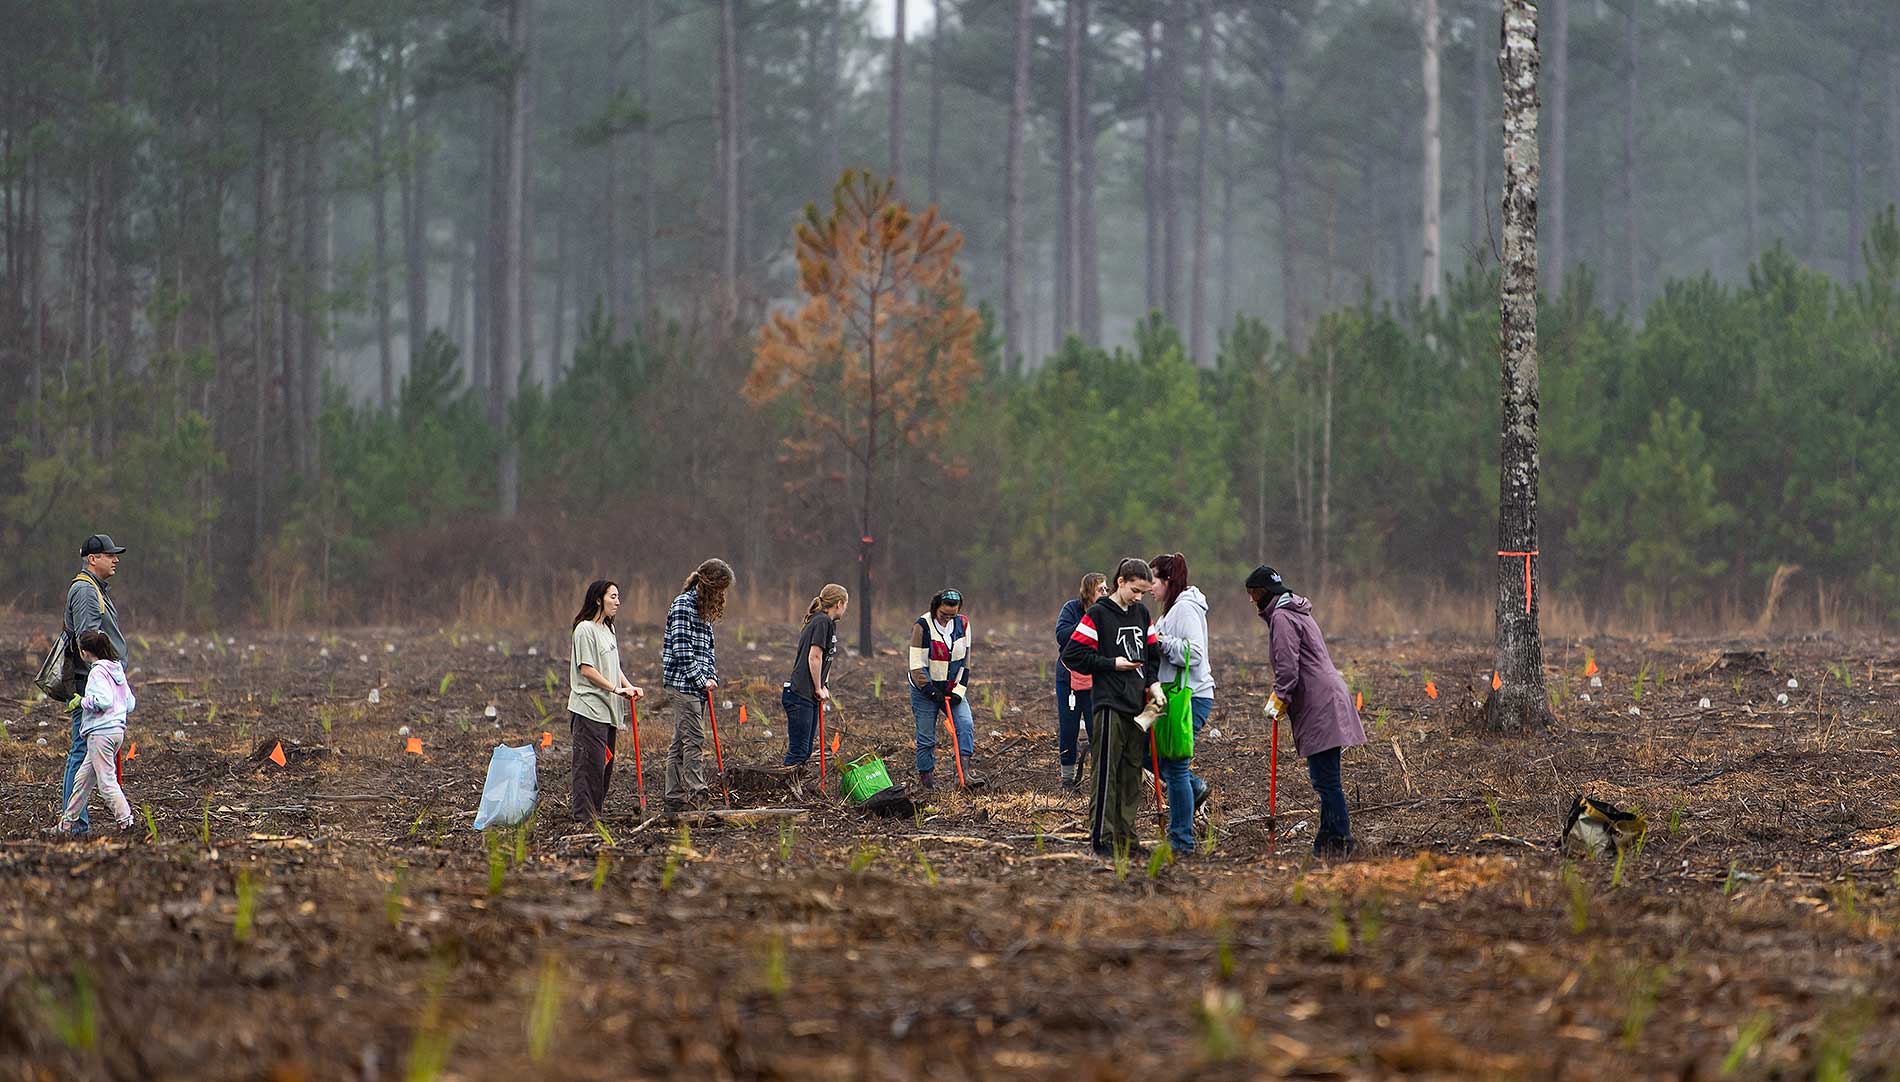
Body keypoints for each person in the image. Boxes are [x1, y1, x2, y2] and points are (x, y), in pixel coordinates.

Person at [1246, 565, 1367, 858]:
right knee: (1325, 776)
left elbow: (1287, 666)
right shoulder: (1295, 611)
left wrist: (1280, 698)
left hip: (1319, 700)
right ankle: (1325, 841)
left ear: (1264, 593)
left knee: (1325, 779)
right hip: (1325, 694)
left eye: (1252, 594)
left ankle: (1341, 840)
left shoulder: (1283, 617)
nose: (1251, 601)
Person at [1061, 558, 1163, 861]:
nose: (1138, 597)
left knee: (1132, 773)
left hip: (1138, 706)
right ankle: (1101, 839)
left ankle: (1126, 837)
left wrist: (1153, 684)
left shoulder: (1142, 613)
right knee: (1106, 771)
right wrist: (1111, 664)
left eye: (1144, 592)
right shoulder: (1098, 615)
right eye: (1134, 590)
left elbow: (1153, 654)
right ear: (1121, 582)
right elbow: (1073, 655)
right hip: (1108, 703)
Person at [60, 534, 129, 836]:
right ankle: (76, 827)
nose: (115, 559)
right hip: (91, 687)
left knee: (85, 757)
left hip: (97, 686)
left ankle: (74, 823)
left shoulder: (95, 589)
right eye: (109, 555)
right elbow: (87, 643)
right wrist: (104, 681)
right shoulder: (87, 592)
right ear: (92, 559)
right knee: (80, 752)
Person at [1151, 552, 1212, 854]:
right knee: (1163, 762)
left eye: (1153, 580)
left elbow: (1195, 653)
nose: (1150, 587)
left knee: (1174, 766)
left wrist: (1160, 642)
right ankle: (1195, 787)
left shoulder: (1185, 609)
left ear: (1167, 580)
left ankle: (1181, 842)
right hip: (1172, 694)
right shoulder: (1171, 609)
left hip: (1190, 695)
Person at [47, 630, 136, 836]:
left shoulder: (97, 672)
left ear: (85, 652)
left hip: (100, 734)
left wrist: (82, 701)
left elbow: (103, 701)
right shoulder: (117, 670)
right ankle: (67, 824)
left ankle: (127, 823)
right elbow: (130, 703)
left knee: (106, 782)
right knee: (82, 781)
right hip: (115, 732)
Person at [568, 580, 643, 821]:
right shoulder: (584, 629)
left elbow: (614, 666)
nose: (618, 602)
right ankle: (584, 816)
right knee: (588, 765)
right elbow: (587, 670)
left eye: (618, 596)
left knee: (604, 765)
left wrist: (628, 686)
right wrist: (614, 689)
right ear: (599, 599)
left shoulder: (608, 630)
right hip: (589, 707)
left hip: (609, 710)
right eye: (613, 597)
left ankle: (595, 813)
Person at [662, 558, 733, 812]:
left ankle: (673, 796)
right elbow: (682, 650)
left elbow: (707, 650)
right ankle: (697, 793)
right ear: (710, 584)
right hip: (682, 684)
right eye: (720, 589)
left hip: (698, 686)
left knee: (681, 740)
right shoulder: (684, 605)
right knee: (694, 738)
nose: (722, 595)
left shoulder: (704, 609)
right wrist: (701, 679)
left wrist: (711, 675)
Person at [907, 588, 984, 790]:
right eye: (943, 615)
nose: (947, 619)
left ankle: (965, 775)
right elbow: (916, 665)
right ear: (935, 609)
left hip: (951, 687)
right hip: (925, 689)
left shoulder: (963, 623)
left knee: (965, 724)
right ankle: (927, 783)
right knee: (926, 736)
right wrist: (931, 691)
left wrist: (959, 691)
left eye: (952, 615)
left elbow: (965, 662)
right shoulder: (922, 626)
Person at [782, 584, 847, 767]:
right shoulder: (821, 622)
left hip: (808, 695)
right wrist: (818, 687)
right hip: (799, 694)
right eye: (845, 605)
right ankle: (784, 787)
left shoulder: (829, 624)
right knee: (799, 751)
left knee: (806, 751)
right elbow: (815, 657)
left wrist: (824, 685)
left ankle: (795, 788)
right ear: (839, 603)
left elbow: (826, 659)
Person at [1054, 573, 1106, 790]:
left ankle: (1100, 778)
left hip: (1096, 679)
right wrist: (1088, 623)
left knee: (1098, 730)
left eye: (1107, 589)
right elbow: (1061, 634)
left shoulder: (1108, 613)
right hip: (1069, 678)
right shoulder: (1071, 609)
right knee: (1068, 728)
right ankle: (1067, 779)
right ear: (1088, 592)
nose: (1105, 593)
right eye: (1100, 589)